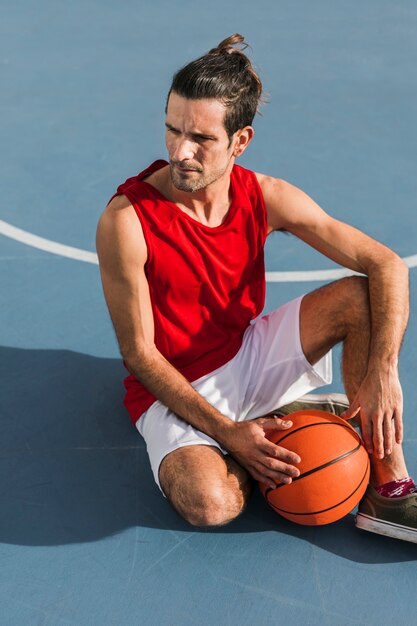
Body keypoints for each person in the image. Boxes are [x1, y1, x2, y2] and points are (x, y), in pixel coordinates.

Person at [96, 34, 417, 542]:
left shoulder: (266, 197)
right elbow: (139, 354)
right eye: (172, 129)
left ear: (240, 141)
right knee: (210, 505)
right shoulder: (126, 220)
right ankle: (287, 425)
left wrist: (382, 369)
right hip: (174, 386)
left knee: (360, 298)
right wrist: (227, 435)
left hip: (245, 353)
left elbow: (386, 265)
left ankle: (391, 491)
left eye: (201, 139)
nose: (181, 152)